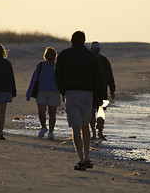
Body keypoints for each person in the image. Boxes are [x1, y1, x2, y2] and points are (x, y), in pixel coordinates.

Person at [54, 31, 105, 171]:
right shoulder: (91, 57)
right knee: (85, 127)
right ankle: (87, 158)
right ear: (84, 41)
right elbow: (98, 78)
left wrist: (63, 91)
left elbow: (57, 76)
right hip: (87, 95)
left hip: (71, 93)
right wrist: (101, 97)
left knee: (75, 128)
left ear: (71, 40)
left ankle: (81, 159)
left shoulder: (64, 55)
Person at [26, 47, 61, 140]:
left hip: (54, 92)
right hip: (41, 92)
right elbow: (34, 79)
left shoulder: (58, 67)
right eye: (49, 57)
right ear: (45, 57)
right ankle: (43, 127)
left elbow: (62, 81)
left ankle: (51, 132)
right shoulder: (40, 65)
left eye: (53, 58)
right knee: (41, 111)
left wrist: (64, 95)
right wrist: (29, 93)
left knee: (52, 112)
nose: (51, 60)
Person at [89, 41, 115, 140]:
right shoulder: (104, 60)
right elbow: (110, 76)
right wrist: (112, 90)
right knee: (100, 111)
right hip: (101, 89)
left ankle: (94, 133)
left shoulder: (88, 60)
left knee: (92, 111)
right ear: (99, 50)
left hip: (90, 90)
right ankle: (99, 132)